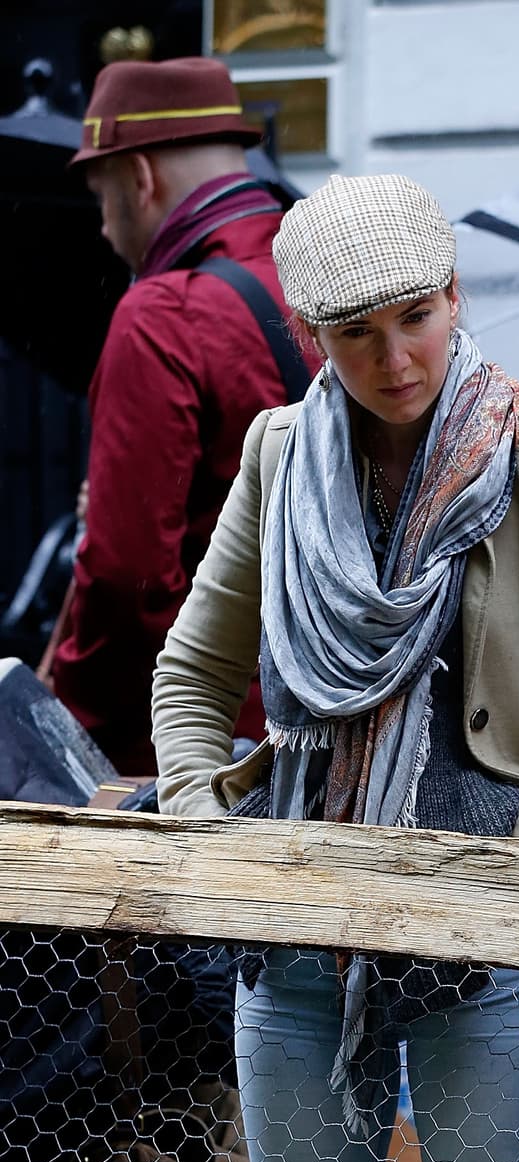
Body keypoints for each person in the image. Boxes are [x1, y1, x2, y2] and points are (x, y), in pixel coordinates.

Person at [151, 172, 519, 1162]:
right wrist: (208, 841)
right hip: (293, 920)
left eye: (416, 320)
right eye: (355, 335)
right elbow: (193, 671)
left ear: (453, 298)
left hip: (489, 923)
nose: (394, 359)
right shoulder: (279, 454)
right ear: (310, 334)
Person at [49, 57, 315, 774]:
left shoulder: (160, 314)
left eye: (103, 199)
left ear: (139, 177)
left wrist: (70, 725)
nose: (105, 230)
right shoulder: (331, 280)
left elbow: (124, 576)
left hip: (202, 745)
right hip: (358, 723)